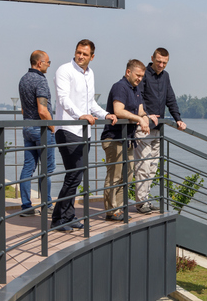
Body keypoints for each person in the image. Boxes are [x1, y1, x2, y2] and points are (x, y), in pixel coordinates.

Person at [51, 39, 117, 231]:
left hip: (84, 132)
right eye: (78, 52)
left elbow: (90, 103)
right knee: (74, 174)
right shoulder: (64, 70)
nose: (80, 56)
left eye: (85, 54)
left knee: (76, 175)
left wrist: (105, 114)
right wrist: (80, 115)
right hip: (67, 129)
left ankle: (69, 216)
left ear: (92, 57)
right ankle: (57, 218)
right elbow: (63, 99)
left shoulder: (90, 74)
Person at [134, 47, 187, 214]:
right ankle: (141, 203)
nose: (161, 65)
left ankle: (145, 200)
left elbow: (170, 98)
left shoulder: (166, 76)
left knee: (152, 167)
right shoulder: (144, 74)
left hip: (158, 128)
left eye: (164, 62)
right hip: (143, 127)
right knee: (143, 165)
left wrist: (178, 119)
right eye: (158, 61)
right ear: (152, 58)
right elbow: (138, 98)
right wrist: (146, 115)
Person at [101, 60, 152, 222]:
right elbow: (118, 110)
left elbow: (141, 110)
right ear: (128, 72)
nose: (139, 79)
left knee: (127, 176)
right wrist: (139, 119)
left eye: (142, 76)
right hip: (114, 138)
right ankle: (111, 211)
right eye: (137, 75)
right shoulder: (120, 87)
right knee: (115, 176)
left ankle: (120, 208)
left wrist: (145, 118)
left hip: (128, 139)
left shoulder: (136, 90)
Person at [18, 50, 56, 216]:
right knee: (47, 169)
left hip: (27, 127)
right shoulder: (40, 80)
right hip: (41, 129)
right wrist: (53, 127)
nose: (49, 65)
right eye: (48, 62)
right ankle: (46, 205)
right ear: (40, 63)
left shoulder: (23, 79)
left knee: (28, 167)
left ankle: (26, 206)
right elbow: (42, 110)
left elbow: (23, 109)